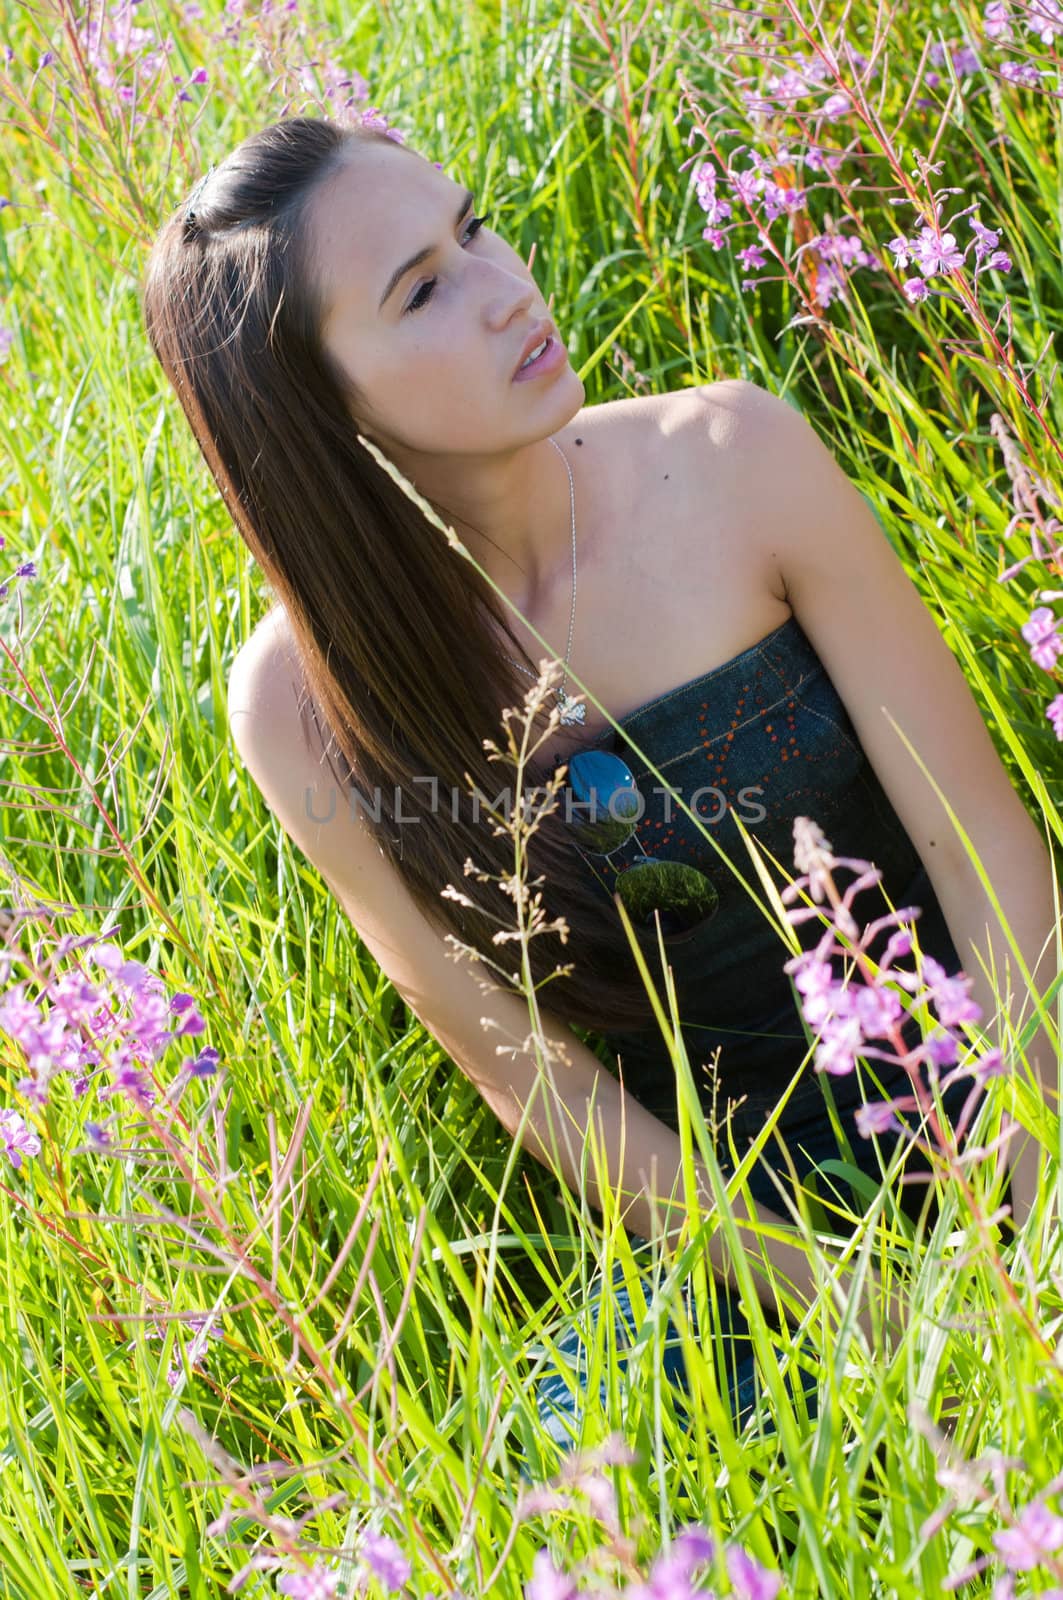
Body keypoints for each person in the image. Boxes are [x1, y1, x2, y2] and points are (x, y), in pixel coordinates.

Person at [142, 114, 1049, 1450]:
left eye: (478, 227)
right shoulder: (299, 707)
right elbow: (535, 1078)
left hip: (1000, 1069)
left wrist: (1027, 1191)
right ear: (319, 405)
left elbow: (980, 833)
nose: (506, 288)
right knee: (611, 1494)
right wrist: (860, 1304)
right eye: (424, 290)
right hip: (745, 1234)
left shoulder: (734, 458)